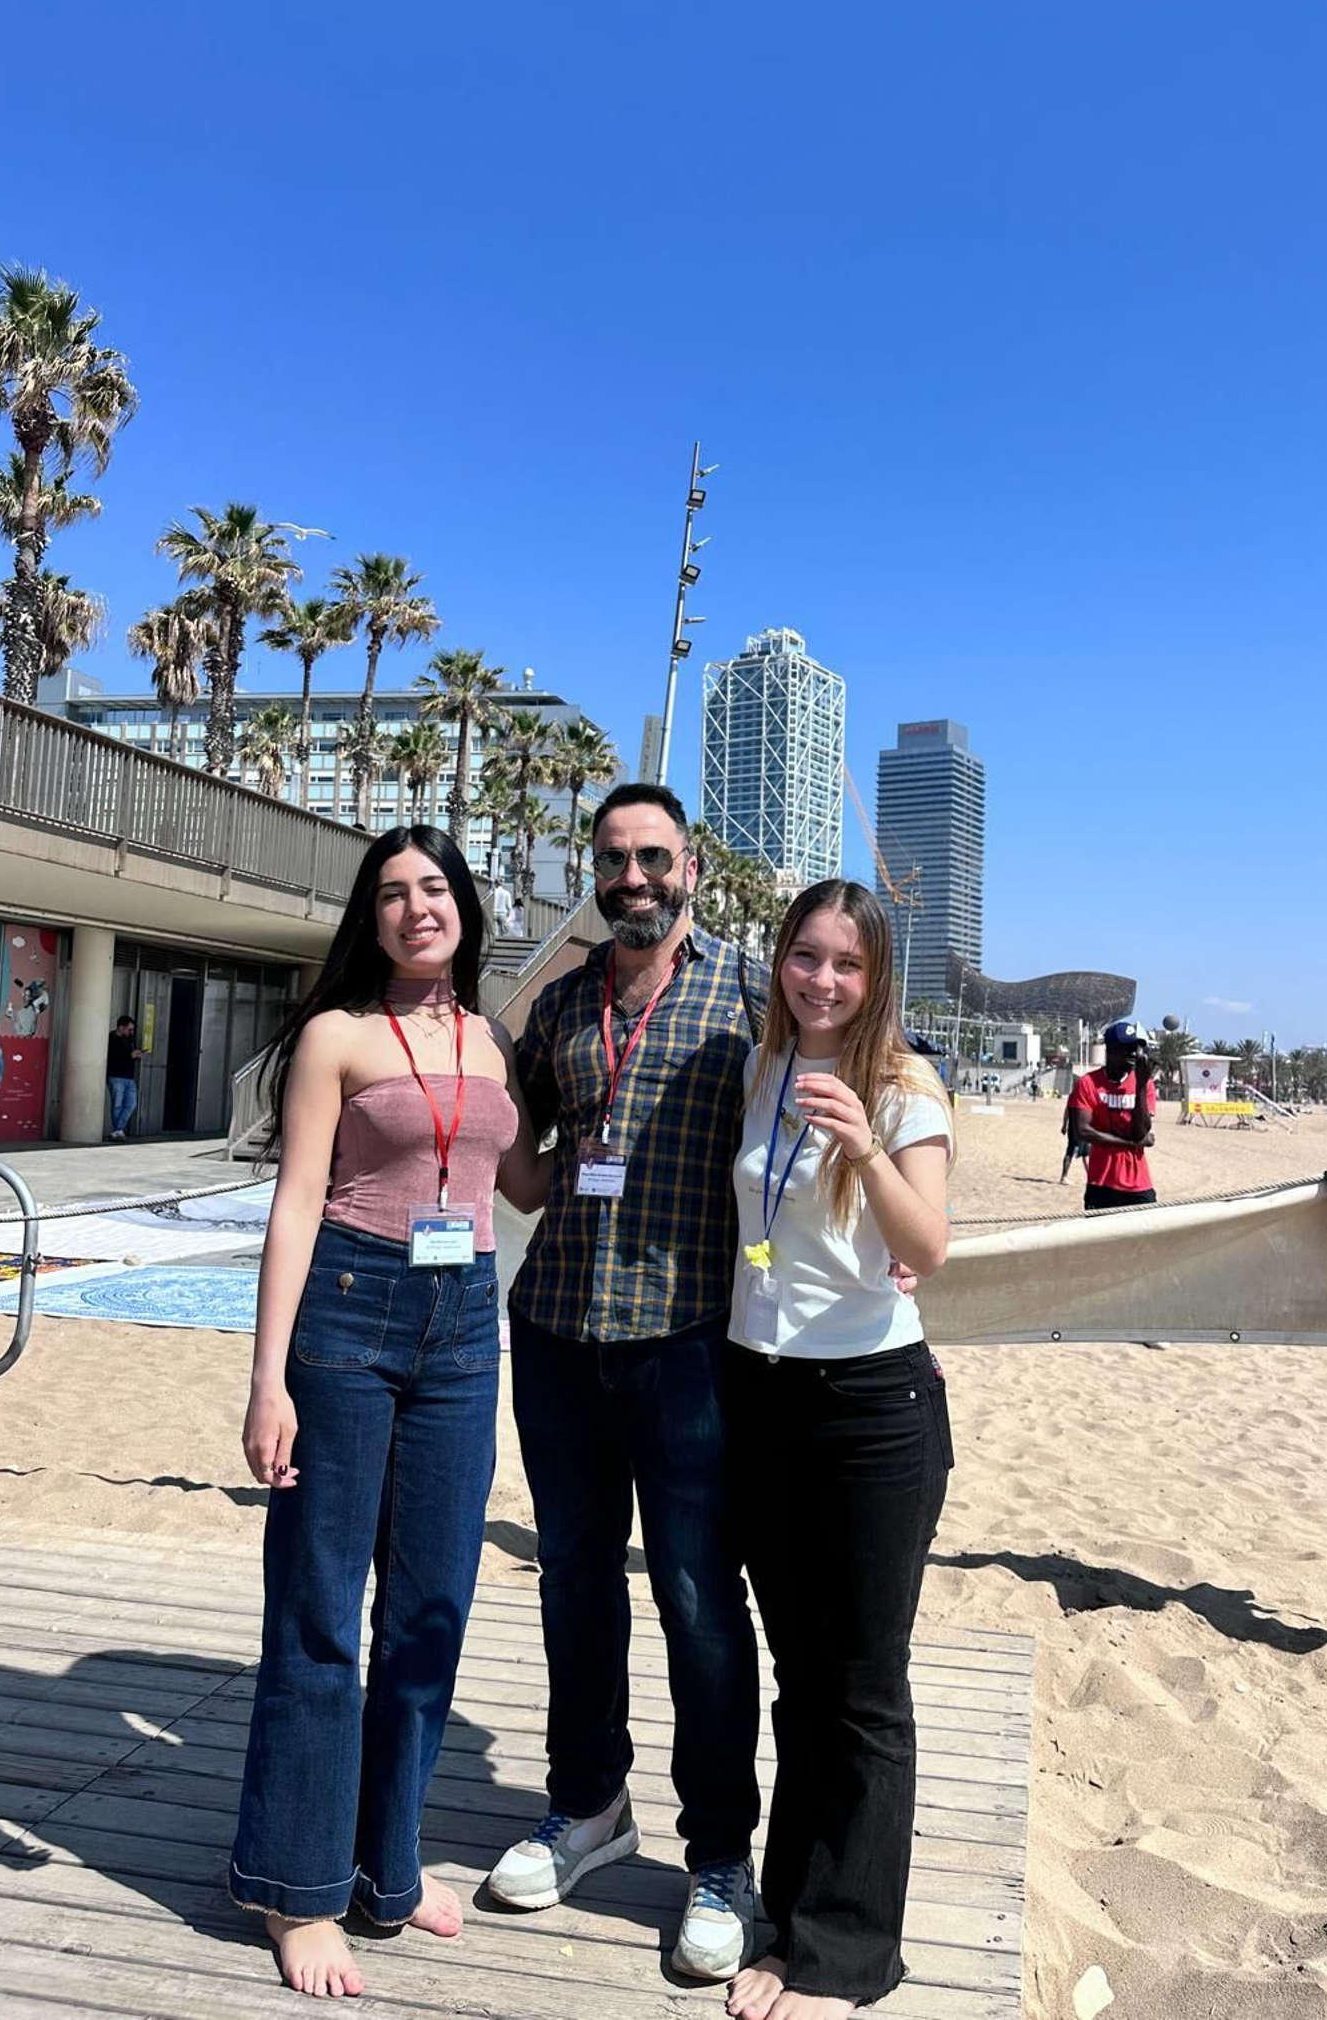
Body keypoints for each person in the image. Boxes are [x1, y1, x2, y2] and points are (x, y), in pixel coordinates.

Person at [229, 826, 548, 1998]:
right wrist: (267, 1381)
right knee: (319, 1607)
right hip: (349, 1317)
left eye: (435, 888)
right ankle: (295, 1890)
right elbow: (297, 1201)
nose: (418, 908)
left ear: (466, 905)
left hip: (466, 1326)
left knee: (428, 1611)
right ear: (371, 919)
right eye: (393, 894)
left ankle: (390, 1869)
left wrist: (628, 1128)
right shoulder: (338, 1036)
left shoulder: (492, 1041)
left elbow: (521, 1181)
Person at [487, 782, 766, 1983]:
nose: (633, 876)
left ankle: (720, 1857)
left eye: (654, 856)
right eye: (614, 858)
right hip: (555, 1332)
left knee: (701, 1601)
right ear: (592, 871)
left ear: (690, 868)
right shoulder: (556, 1005)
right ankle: (591, 1804)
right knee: (574, 1586)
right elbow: (526, 1168)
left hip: (691, 1343)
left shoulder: (750, 996)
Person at [724, 878, 954, 2020]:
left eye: (845, 964)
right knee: (799, 1681)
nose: (821, 979)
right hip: (761, 1399)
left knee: (863, 1690)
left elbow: (932, 1247)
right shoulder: (760, 1068)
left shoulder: (906, 1087)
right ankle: (791, 1925)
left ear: (876, 980)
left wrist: (864, 1149)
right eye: (804, 956)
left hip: (872, 1409)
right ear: (779, 962)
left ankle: (850, 1957)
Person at [1067, 1019, 1157, 1210]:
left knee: (1146, 1239)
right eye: (1127, 1048)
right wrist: (1131, 1142)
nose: (1134, 1054)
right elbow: (1083, 1131)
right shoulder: (1088, 1083)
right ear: (1111, 1050)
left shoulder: (1144, 1084)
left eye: (1136, 1048)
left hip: (1139, 1183)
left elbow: (1141, 1132)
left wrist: (1140, 1086)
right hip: (1102, 1183)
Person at [105, 1014, 143, 1140]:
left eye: (132, 1030)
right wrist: (130, 1055)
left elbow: (129, 1055)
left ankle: (118, 1129)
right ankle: (118, 1131)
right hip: (116, 1075)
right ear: (121, 1027)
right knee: (117, 1104)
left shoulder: (129, 1039)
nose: (131, 1032)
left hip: (129, 1076)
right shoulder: (111, 1039)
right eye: (129, 1029)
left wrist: (136, 1055)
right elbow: (114, 1056)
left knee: (131, 1104)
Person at [1059, 1094, 1089, 1183]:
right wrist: (1064, 1125)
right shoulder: (1079, 1096)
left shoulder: (1074, 1095)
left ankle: (1091, 1179)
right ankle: (1064, 1177)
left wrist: (1064, 1125)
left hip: (1083, 1131)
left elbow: (1067, 1111)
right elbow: (1068, 1111)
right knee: (1070, 1153)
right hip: (1077, 1132)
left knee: (1086, 1154)